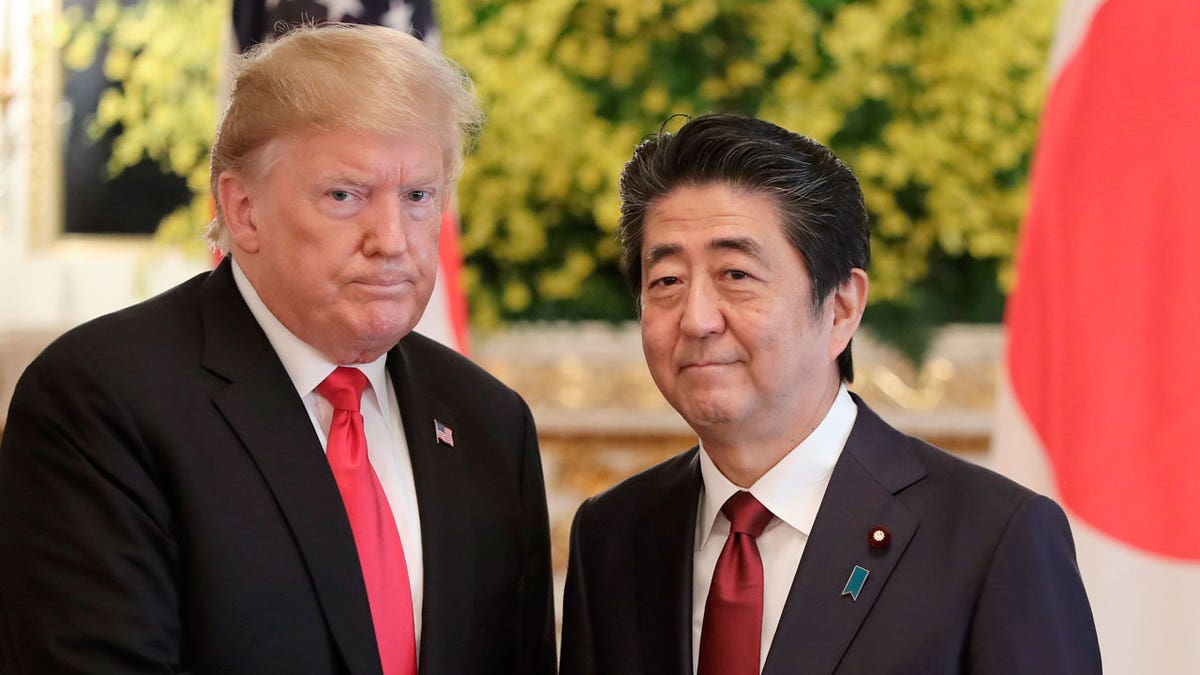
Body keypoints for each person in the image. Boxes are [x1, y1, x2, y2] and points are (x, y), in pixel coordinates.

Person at [0, 24, 556, 675]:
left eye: (417, 197)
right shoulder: (100, 401)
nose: (391, 239)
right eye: (345, 195)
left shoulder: (490, 422)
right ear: (243, 210)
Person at [559, 113, 1100, 674]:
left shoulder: (993, 538)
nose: (697, 319)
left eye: (736, 275)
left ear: (841, 307)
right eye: (667, 281)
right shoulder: (612, 536)